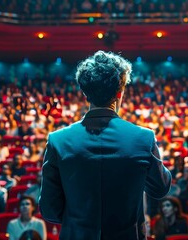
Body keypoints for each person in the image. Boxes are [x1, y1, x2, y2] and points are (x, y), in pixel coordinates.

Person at [40, 51, 172, 240]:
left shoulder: (57, 140)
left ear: (85, 93)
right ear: (120, 92)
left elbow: (50, 210)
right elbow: (160, 188)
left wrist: (80, 220)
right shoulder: (143, 138)